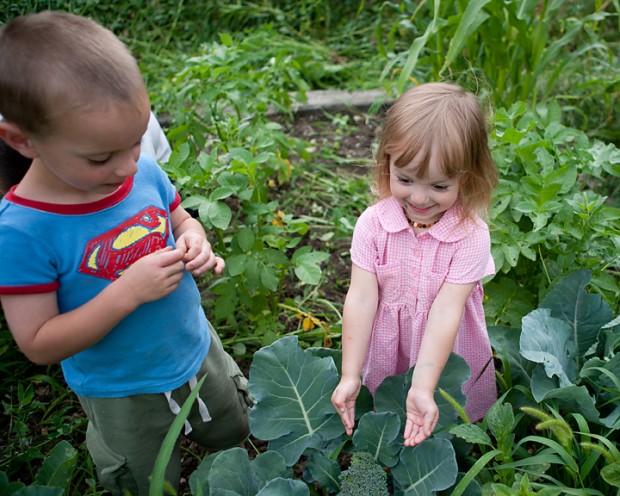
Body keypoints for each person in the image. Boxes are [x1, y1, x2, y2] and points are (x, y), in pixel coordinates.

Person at [0, 11, 251, 495]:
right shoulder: (23, 233)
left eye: (136, 143)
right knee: (146, 478)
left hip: (195, 347)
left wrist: (195, 239)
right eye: (100, 158)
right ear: (21, 140)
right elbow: (38, 342)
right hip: (122, 390)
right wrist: (127, 293)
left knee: (229, 429)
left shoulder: (143, 172)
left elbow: (179, 217)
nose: (127, 165)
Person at [331, 82, 498, 447]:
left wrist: (423, 387)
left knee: (455, 420)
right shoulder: (374, 225)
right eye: (405, 180)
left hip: (446, 346)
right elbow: (361, 298)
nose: (419, 198)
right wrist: (349, 373)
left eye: (439, 187)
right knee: (391, 420)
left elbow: (444, 312)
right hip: (391, 343)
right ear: (386, 162)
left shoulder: (470, 235)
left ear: (467, 177)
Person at [0, 111, 171, 195]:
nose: (131, 169)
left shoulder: (142, 164)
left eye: (136, 142)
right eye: (100, 159)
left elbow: (174, 215)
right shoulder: (17, 227)